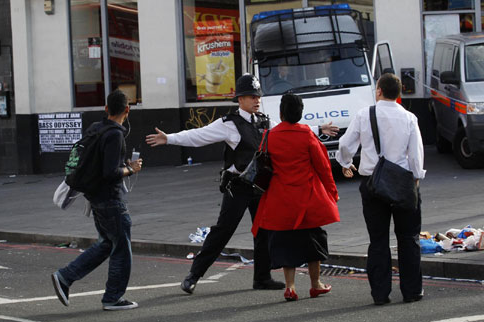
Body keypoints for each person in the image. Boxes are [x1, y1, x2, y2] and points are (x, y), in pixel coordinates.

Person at [145, 74, 338, 295]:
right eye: (250, 96)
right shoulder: (228, 124)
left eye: (257, 96)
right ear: (240, 100)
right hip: (237, 187)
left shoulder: (265, 121)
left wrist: (318, 128)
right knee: (222, 231)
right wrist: (169, 138)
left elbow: (290, 131)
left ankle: (262, 278)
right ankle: (193, 276)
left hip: (259, 187)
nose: (256, 100)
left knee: (264, 231)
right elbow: (198, 136)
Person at [335, 73, 426, 305]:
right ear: (400, 94)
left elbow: (346, 144)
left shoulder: (365, 115)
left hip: (373, 184)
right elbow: (416, 156)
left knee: (378, 240)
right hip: (404, 184)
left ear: (378, 91)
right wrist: (416, 178)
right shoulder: (409, 118)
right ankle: (412, 291)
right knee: (408, 238)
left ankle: (380, 294)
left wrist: (346, 163)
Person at [51, 89, 143, 311]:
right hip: (110, 200)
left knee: (107, 243)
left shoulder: (95, 128)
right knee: (121, 248)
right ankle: (113, 297)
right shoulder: (115, 134)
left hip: (95, 198)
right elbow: (110, 172)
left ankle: (65, 277)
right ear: (127, 110)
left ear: (106, 109)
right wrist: (131, 169)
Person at [252, 93, 340, 302]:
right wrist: (332, 192)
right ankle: (316, 284)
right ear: (300, 113)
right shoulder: (306, 134)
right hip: (307, 198)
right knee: (313, 242)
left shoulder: (269, 136)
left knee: (284, 243)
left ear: (281, 113)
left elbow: (264, 164)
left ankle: (290, 287)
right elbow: (323, 166)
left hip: (280, 199)